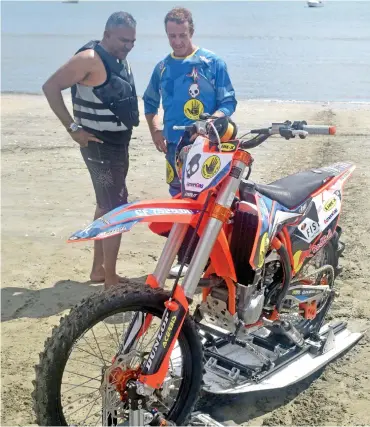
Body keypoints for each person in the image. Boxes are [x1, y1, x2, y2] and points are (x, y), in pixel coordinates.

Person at [42, 11, 139, 288]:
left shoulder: (118, 57)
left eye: (132, 41)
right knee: (116, 209)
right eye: (123, 40)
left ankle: (99, 270)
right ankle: (110, 279)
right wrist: (72, 128)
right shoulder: (88, 59)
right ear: (107, 34)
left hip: (117, 145)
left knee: (104, 205)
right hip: (99, 148)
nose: (128, 46)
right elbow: (50, 87)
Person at [143, 7, 237, 276]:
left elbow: (228, 101)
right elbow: (149, 103)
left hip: (209, 145)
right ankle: (186, 257)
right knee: (180, 199)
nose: (177, 41)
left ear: (191, 31)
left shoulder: (212, 63)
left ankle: (214, 256)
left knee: (212, 200)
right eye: (171, 36)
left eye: (181, 35)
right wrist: (155, 131)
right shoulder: (162, 68)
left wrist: (210, 122)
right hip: (175, 147)